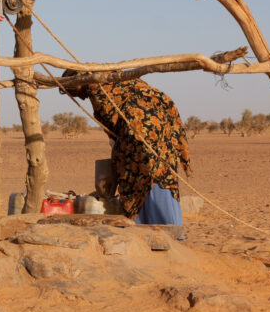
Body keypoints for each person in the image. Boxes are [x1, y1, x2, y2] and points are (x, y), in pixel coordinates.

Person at [70, 73, 191, 228]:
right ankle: (172, 226)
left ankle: (148, 225)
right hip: (163, 116)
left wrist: (116, 146)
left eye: (74, 92)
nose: (80, 98)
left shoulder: (96, 89)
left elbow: (109, 120)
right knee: (163, 170)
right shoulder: (112, 76)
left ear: (78, 84)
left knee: (136, 173)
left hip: (139, 126)